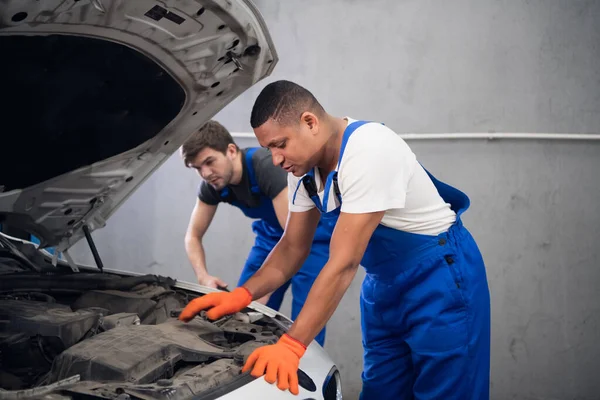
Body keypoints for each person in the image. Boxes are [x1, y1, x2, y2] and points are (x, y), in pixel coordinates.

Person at [178, 81, 491, 399]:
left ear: (310, 122)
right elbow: (291, 248)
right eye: (269, 148)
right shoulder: (303, 173)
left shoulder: (368, 150)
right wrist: (243, 294)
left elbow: (343, 263)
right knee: (382, 390)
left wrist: (291, 345)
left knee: (447, 390)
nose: (275, 159)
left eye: (280, 144)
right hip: (384, 284)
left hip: (439, 278)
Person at [180, 120, 332, 347]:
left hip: (311, 240)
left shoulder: (265, 167)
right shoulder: (213, 185)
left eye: (209, 162)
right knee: (238, 313)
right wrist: (203, 276)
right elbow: (192, 236)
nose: (205, 173)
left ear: (231, 151)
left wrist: (266, 286)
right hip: (271, 236)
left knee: (304, 324)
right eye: (197, 168)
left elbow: (293, 242)